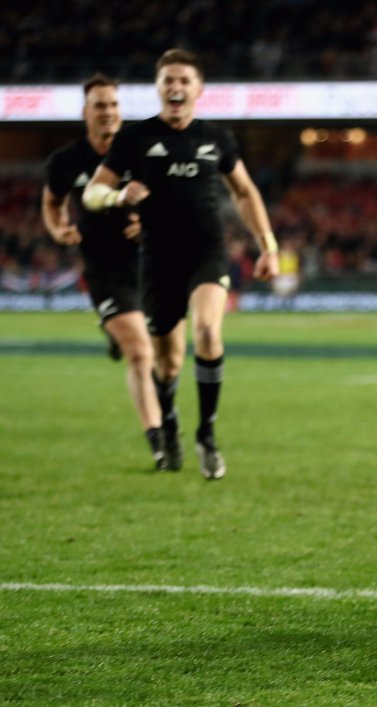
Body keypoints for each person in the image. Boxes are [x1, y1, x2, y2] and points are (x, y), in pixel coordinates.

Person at [83, 48, 280, 480]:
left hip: (207, 252)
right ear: (158, 87)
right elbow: (91, 193)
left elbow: (244, 192)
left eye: (184, 80)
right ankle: (168, 420)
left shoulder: (218, 139)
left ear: (198, 89)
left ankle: (207, 436)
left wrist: (266, 244)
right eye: (168, 80)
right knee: (168, 363)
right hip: (157, 261)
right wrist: (118, 196)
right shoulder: (134, 139)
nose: (176, 87)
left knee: (208, 330)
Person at [42, 73, 167, 469]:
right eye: (100, 105)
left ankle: (114, 332)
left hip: (150, 265)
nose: (108, 112)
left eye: (113, 104)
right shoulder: (65, 162)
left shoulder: (144, 155)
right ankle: (158, 439)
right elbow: (51, 201)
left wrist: (150, 222)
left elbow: (170, 203)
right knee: (140, 350)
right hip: (103, 269)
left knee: (165, 357)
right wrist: (58, 227)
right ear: (85, 113)